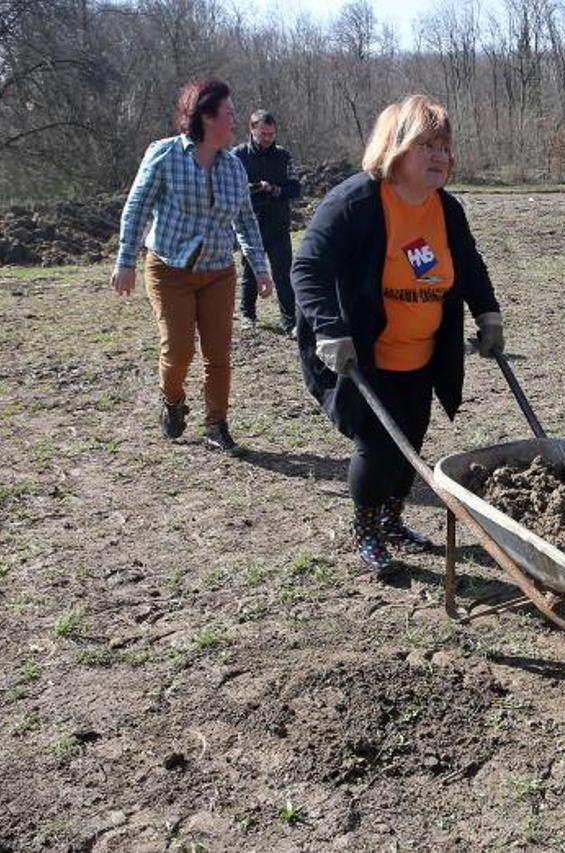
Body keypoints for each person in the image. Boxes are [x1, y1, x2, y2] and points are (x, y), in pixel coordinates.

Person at [292, 94, 503, 576]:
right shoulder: (356, 202)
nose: (440, 156)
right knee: (379, 445)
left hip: (423, 354)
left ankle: (392, 520)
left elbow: (468, 266)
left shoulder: (445, 210)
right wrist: (329, 329)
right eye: (426, 144)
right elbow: (308, 268)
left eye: (445, 146)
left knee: (412, 438)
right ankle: (366, 531)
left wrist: (488, 315)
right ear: (395, 146)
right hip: (365, 351)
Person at [112, 78, 273, 456]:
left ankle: (217, 423)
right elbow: (137, 208)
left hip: (219, 272)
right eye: (229, 113)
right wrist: (126, 261)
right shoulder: (165, 155)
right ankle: (172, 399)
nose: (234, 120)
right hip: (170, 270)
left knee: (219, 354)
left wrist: (261, 268)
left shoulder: (234, 167)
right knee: (179, 350)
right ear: (204, 116)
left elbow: (246, 221)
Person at [234, 110, 301, 335]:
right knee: (250, 270)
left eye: (271, 134)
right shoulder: (238, 156)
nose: (267, 138)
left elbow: (295, 188)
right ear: (252, 129)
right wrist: (252, 189)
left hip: (278, 223)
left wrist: (274, 189)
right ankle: (247, 315)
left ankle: (290, 322)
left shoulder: (284, 157)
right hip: (250, 221)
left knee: (283, 273)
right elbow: (229, 187)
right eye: (263, 133)